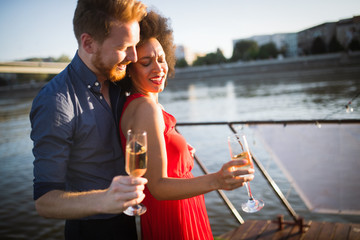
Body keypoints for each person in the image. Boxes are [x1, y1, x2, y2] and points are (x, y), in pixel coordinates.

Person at [119, 10, 255, 240]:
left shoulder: (145, 106)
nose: (158, 68)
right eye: (146, 62)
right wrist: (217, 179)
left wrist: (183, 153)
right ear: (129, 68)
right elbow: (158, 187)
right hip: (175, 217)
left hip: (180, 209)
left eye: (161, 59)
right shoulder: (146, 108)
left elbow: (152, 160)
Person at [30, 0, 148, 239]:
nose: (133, 57)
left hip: (129, 221)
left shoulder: (118, 79)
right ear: (88, 43)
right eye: (125, 47)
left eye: (135, 46)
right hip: (91, 230)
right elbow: (45, 202)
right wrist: (105, 199)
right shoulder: (55, 101)